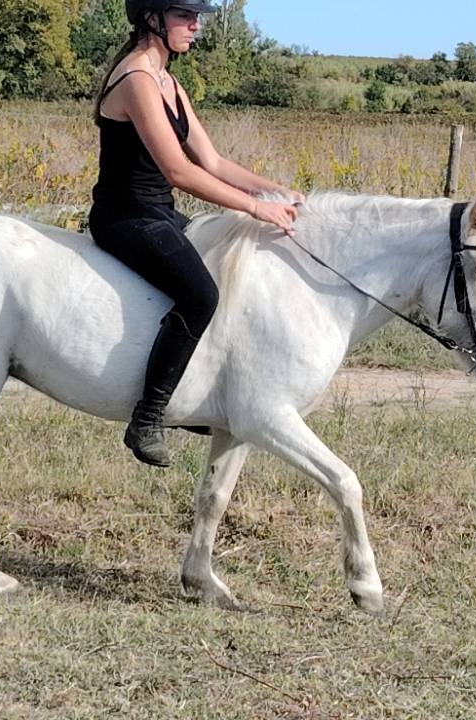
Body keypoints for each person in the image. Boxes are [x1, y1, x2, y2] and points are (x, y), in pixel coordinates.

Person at [89, 0, 303, 468]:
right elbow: (179, 171)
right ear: (152, 18)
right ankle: (148, 417)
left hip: (160, 213)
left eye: (198, 16)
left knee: (221, 279)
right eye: (186, 16)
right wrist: (254, 208)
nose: (196, 26)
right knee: (201, 294)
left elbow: (213, 162)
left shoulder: (169, 81)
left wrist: (275, 190)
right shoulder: (137, 80)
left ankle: (187, 387)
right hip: (125, 217)